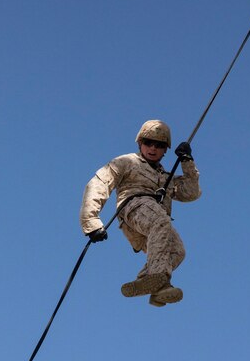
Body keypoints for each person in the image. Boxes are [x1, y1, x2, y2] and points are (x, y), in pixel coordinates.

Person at [80, 120, 201, 306]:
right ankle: (157, 276)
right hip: (133, 207)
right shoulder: (127, 162)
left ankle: (152, 287)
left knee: (177, 251)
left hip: (154, 225)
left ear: (165, 150)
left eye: (159, 145)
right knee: (160, 220)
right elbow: (99, 184)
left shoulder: (166, 178)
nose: (153, 148)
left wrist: (187, 162)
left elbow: (191, 193)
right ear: (140, 143)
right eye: (148, 143)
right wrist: (91, 221)